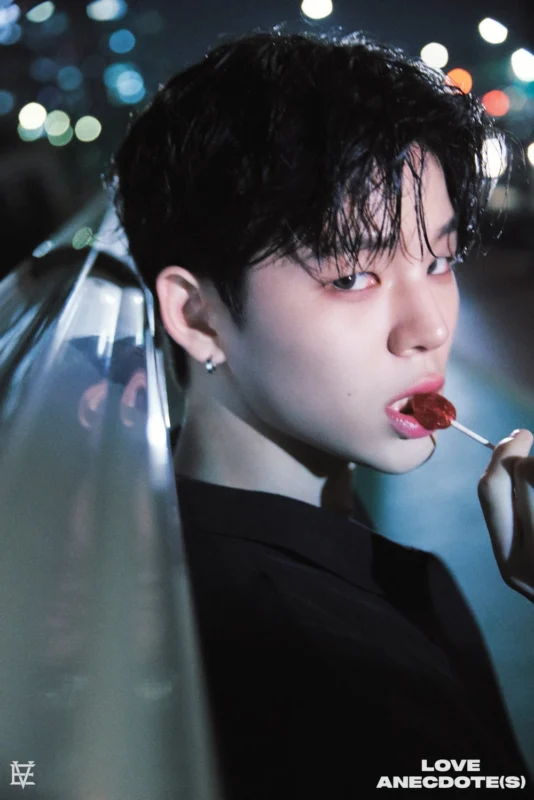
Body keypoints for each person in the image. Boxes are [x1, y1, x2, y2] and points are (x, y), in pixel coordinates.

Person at [110, 29, 534, 796]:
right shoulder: (320, 675)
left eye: (439, 260)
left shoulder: (183, 539)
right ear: (198, 316)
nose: (430, 328)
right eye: (351, 277)